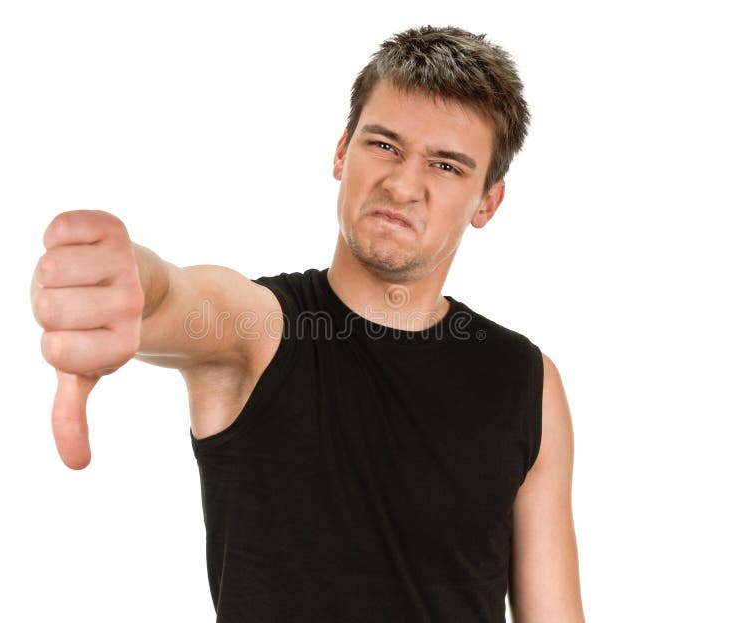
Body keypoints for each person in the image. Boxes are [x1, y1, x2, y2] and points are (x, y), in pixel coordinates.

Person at [31, 25, 585, 623]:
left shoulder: (526, 381)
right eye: (384, 145)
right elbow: (183, 300)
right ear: (342, 152)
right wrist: (132, 289)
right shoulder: (261, 335)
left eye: (446, 165)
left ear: (487, 201)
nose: (403, 184)